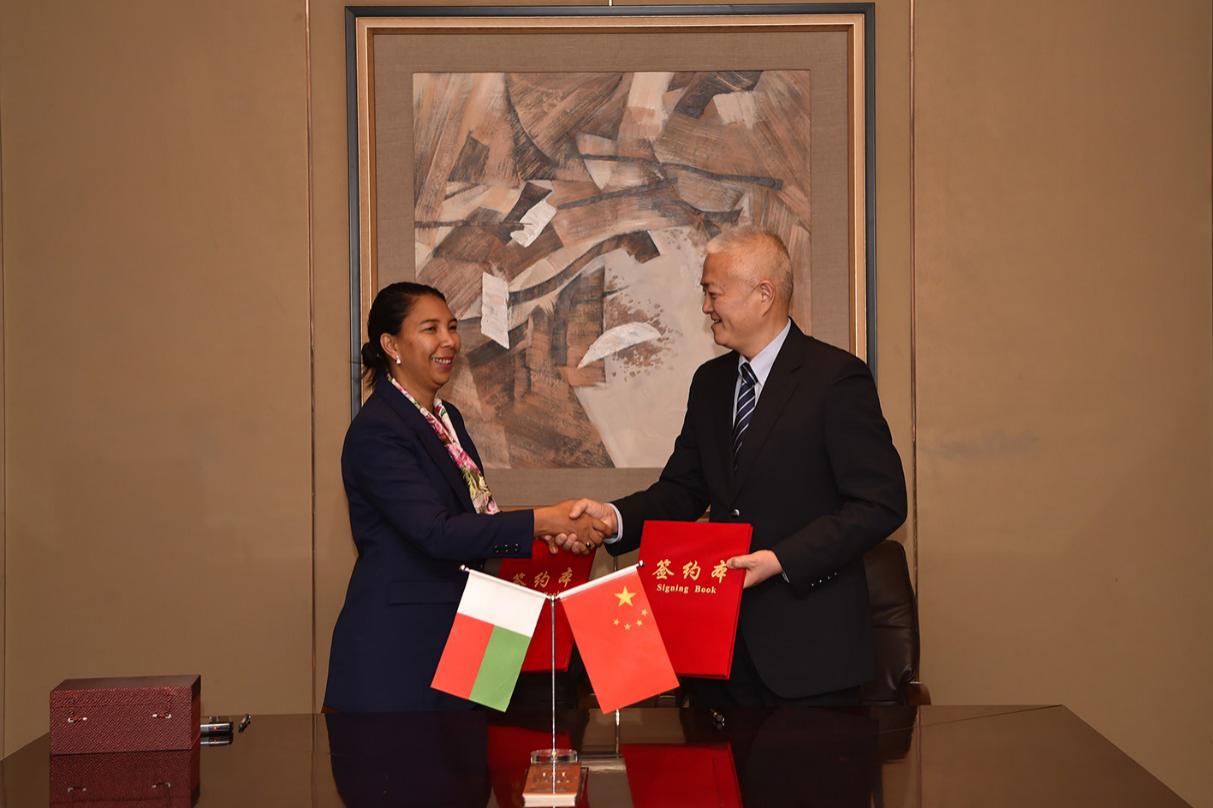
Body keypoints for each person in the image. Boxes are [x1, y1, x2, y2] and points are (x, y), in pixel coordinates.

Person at [557, 227, 907, 708]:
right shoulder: (711, 383)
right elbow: (682, 490)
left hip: (810, 656)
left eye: (712, 292)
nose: (705, 307)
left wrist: (780, 559)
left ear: (763, 295)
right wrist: (612, 519)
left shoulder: (835, 379)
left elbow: (881, 502)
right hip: (717, 654)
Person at [324, 282, 607, 712]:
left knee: (476, 754)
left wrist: (543, 529)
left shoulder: (447, 417)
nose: (449, 341)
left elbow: (472, 515)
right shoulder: (378, 430)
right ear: (391, 344)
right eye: (431, 329)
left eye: (452, 327)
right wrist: (544, 520)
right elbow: (436, 532)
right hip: (403, 653)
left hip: (470, 637)